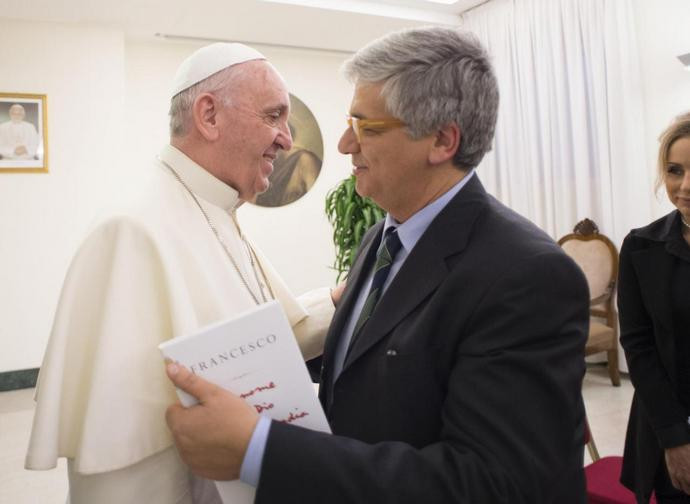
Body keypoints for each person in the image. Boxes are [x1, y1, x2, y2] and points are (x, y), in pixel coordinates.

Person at [165, 26, 590, 503]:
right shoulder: (381, 238)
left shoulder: (526, 276)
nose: (345, 144)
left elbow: (493, 483)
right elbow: (365, 384)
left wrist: (262, 448)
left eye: (366, 127)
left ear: (442, 141)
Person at [25, 43, 339, 503]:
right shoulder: (131, 229)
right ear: (209, 115)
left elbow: (264, 337)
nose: (288, 140)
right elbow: (123, 457)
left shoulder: (215, 205)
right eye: (273, 116)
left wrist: (341, 298)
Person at [618, 112, 690, 503]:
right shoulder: (641, 247)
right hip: (670, 427)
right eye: (674, 170)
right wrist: (675, 438)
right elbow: (639, 346)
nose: (685, 187)